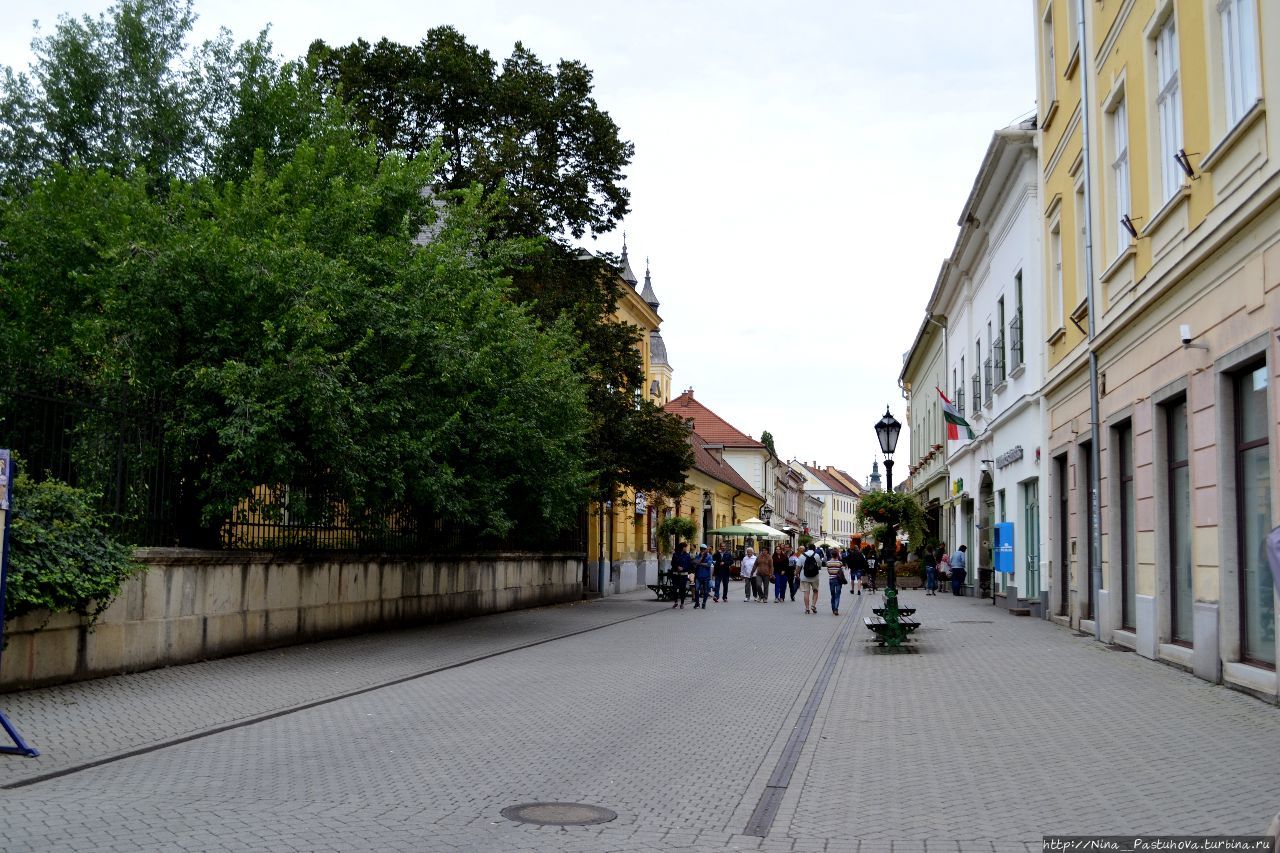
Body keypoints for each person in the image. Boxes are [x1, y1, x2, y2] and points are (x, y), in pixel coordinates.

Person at [799, 546, 822, 614]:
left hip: (804, 576)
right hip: (815, 576)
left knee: (806, 593)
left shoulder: (802, 555)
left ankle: (807, 608)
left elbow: (798, 566)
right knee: (815, 591)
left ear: (807, 549)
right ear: (814, 549)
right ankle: (813, 605)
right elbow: (820, 564)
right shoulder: (816, 555)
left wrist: (796, 573)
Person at [670, 542, 692, 609]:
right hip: (675, 574)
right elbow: (672, 563)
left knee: (682, 589)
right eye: (685, 547)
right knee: (674, 588)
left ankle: (682, 603)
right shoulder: (675, 554)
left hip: (683, 575)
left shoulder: (687, 555)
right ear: (682, 547)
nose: (686, 548)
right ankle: (676, 601)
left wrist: (683, 568)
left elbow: (689, 565)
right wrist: (677, 567)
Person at [826, 547, 847, 615]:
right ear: (837, 555)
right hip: (838, 580)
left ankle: (833, 608)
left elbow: (829, 572)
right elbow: (841, 572)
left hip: (831, 580)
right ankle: (836, 609)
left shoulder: (828, 563)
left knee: (833, 595)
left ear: (832, 555)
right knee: (837, 595)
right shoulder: (840, 563)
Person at [692, 544, 713, 609]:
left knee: (706, 591)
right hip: (698, 576)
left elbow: (709, 565)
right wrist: (701, 559)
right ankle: (697, 603)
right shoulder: (698, 556)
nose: (702, 550)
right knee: (696, 590)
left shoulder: (709, 556)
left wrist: (700, 563)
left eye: (704, 549)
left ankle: (704, 603)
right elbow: (694, 563)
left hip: (706, 576)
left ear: (706, 550)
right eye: (701, 549)